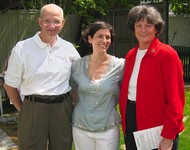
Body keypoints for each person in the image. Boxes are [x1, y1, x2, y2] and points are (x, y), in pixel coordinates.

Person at [3, 4, 80, 150]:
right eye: (47, 21)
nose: (52, 25)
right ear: (40, 21)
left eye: (56, 21)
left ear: (63, 23)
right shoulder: (22, 48)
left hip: (62, 108)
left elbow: (79, 80)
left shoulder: (68, 48)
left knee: (62, 147)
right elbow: (9, 85)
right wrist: (24, 109)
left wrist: (73, 103)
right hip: (33, 108)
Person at [119, 5, 185, 150]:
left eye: (148, 25)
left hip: (157, 126)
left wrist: (168, 135)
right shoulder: (131, 55)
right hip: (131, 119)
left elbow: (176, 99)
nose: (143, 30)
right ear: (133, 28)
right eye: (139, 25)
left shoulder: (167, 55)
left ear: (156, 28)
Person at [71, 21, 125, 150]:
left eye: (108, 37)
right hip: (81, 126)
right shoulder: (77, 65)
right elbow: (71, 90)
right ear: (90, 39)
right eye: (100, 36)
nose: (104, 40)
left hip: (108, 127)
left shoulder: (120, 65)